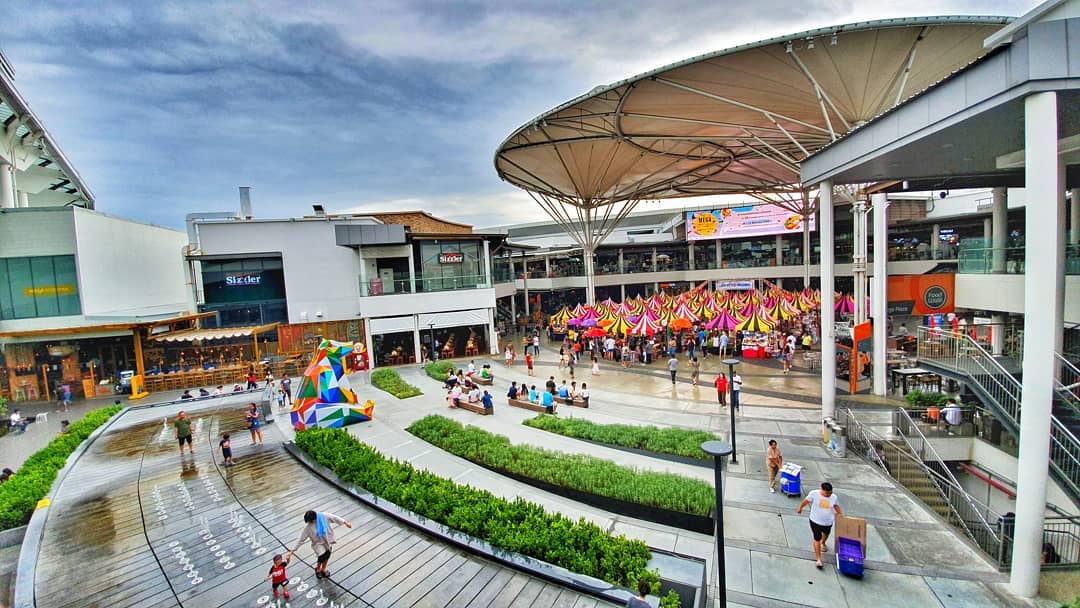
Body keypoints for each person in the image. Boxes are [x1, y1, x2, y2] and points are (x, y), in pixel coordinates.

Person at [287, 510, 351, 579]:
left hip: (327, 539)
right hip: (318, 543)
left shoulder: (323, 516)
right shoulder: (308, 528)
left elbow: (334, 518)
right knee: (321, 556)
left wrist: (345, 522)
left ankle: (323, 568)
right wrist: (292, 551)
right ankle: (318, 569)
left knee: (327, 554)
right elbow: (301, 539)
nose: (310, 522)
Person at [797, 482, 843, 569]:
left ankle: (823, 542)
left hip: (828, 522)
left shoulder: (834, 497)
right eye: (827, 493)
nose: (828, 495)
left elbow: (836, 506)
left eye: (830, 493)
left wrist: (840, 514)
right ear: (821, 489)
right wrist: (800, 508)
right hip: (815, 520)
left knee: (826, 534)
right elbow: (806, 501)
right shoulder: (814, 494)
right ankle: (818, 559)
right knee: (817, 538)